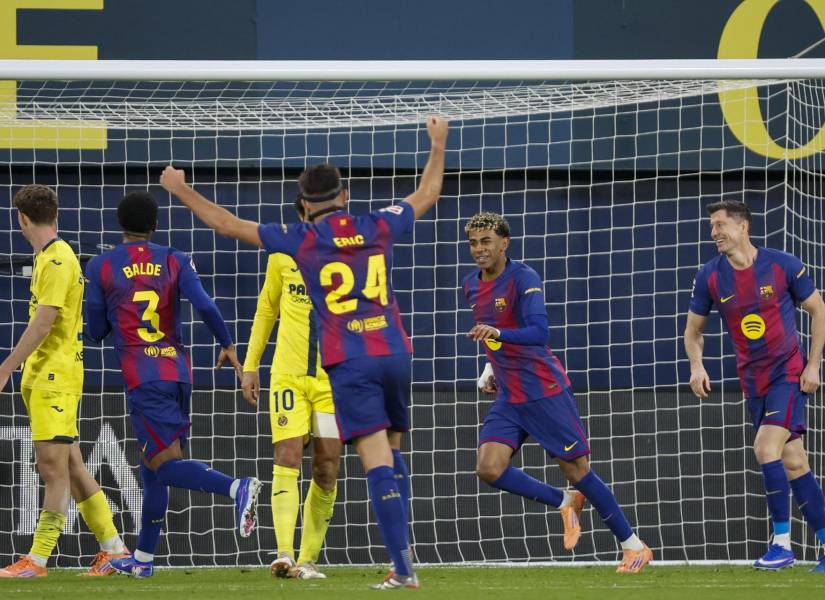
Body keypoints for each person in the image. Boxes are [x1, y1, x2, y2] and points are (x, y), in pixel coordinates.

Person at [159, 115, 448, 589]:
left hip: (349, 359)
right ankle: (397, 551)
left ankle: (403, 567)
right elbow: (426, 194)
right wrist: (437, 143)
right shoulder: (376, 225)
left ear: (303, 205)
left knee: (372, 458)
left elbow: (228, 225)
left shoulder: (302, 240)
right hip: (395, 351)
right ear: (345, 195)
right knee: (393, 454)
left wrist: (180, 189)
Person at [83, 191, 262, 577]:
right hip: (178, 373)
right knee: (150, 467)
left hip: (143, 378)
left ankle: (237, 487)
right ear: (155, 225)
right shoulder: (175, 259)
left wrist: (113, 308)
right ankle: (143, 561)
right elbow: (205, 306)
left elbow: (96, 331)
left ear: (119, 225)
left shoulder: (100, 266)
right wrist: (229, 347)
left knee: (165, 467)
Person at [463, 211, 652, 573]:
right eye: (473, 243)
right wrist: (490, 368)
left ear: (504, 243)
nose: (479, 249)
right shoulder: (470, 284)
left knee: (578, 470)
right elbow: (494, 332)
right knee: (489, 468)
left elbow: (539, 333)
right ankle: (565, 501)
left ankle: (633, 546)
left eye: (486, 241)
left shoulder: (523, 277)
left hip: (542, 389)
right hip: (510, 395)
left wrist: (497, 336)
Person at [685, 199, 825, 572]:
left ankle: (782, 545)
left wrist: (813, 365)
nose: (714, 233)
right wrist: (697, 366)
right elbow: (693, 331)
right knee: (794, 463)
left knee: (766, 449)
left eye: (720, 225)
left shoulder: (782, 264)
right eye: (712, 226)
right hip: (753, 382)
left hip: (788, 374)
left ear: (743, 226)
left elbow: (818, 309)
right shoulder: (710, 276)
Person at [0, 185, 129, 578]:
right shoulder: (48, 257)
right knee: (71, 465)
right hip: (47, 374)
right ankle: (115, 549)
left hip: (55, 375)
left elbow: (45, 320)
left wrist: (6, 366)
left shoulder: (57, 261)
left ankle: (36, 560)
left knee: (52, 467)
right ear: (54, 214)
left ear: (21, 218)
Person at [242, 196, 341, 580]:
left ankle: (308, 558)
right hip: (287, 376)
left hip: (333, 382)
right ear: (304, 206)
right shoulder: (282, 253)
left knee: (327, 467)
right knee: (286, 455)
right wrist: (251, 366)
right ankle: (283, 552)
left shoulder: (349, 252)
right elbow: (267, 308)